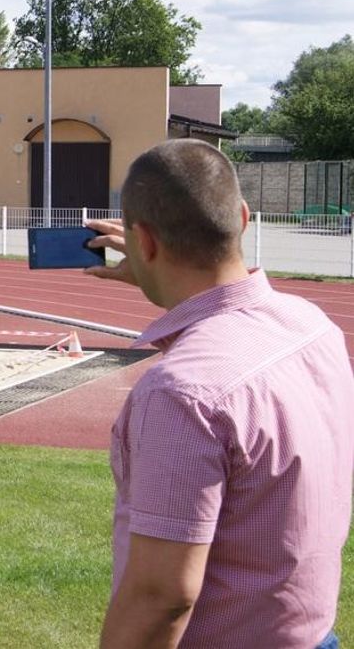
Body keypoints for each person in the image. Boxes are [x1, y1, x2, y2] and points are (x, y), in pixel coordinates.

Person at [86, 139, 354, 649]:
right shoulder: (312, 323)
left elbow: (161, 597)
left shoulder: (182, 393)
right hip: (314, 635)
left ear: (142, 241)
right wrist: (155, 273)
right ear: (244, 217)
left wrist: (155, 265)